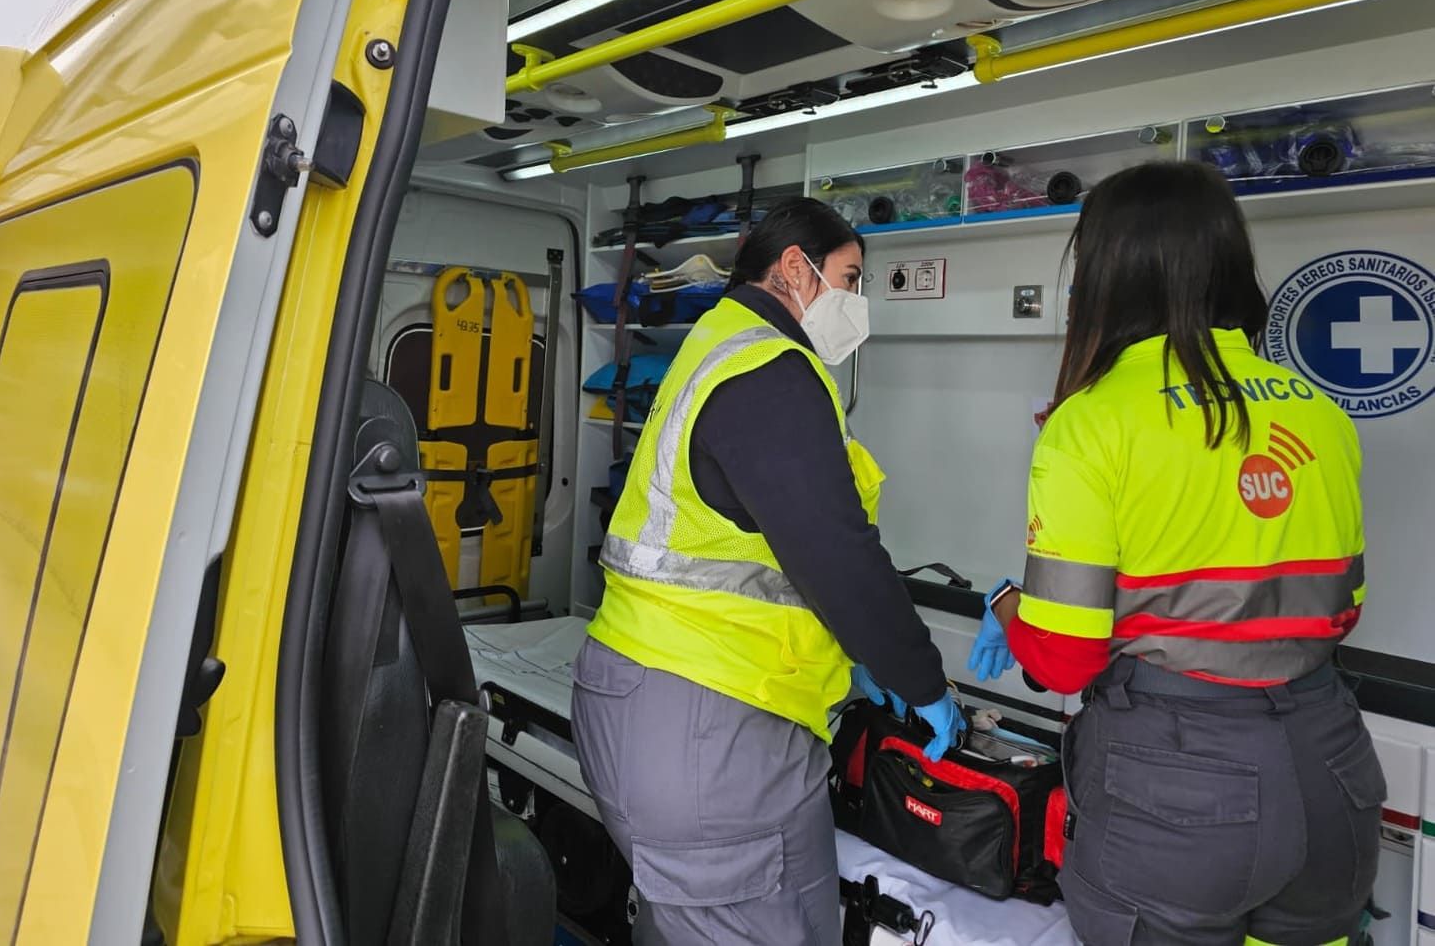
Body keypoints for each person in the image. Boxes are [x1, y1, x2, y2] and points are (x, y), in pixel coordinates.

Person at [967, 161, 1384, 945]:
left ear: (1106, 274)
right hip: (1331, 763)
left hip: (1178, 789)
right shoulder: (1321, 415)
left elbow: (1061, 659)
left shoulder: (1091, 422)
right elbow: (1343, 607)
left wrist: (1004, 605)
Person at [572, 197, 959, 945]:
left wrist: (850, 660)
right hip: (710, 726)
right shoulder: (770, 369)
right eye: (850, 277)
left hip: (644, 695)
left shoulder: (714, 344)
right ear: (794, 268)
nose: (857, 301)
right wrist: (921, 680)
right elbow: (836, 550)